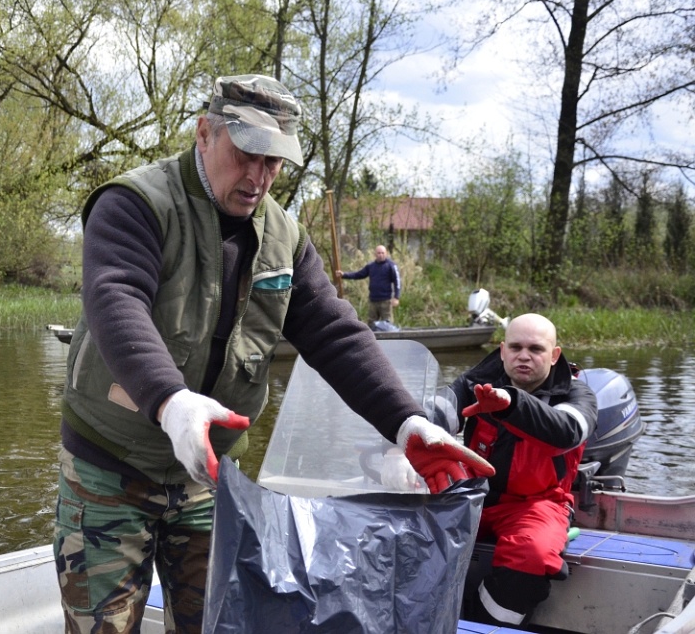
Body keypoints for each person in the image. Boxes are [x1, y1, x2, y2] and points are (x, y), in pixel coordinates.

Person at [56, 73, 494, 634]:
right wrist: (170, 401)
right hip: (109, 466)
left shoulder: (285, 237)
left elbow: (335, 334)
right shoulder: (136, 203)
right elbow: (115, 297)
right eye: (246, 154)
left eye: (274, 163)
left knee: (218, 624)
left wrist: (406, 422)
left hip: (208, 476)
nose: (258, 177)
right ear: (205, 133)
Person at [446, 313, 598, 627]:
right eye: (515, 347)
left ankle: (488, 624)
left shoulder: (577, 394)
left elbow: (567, 431)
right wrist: (404, 432)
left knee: (533, 554)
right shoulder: (476, 381)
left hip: (538, 504)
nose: (524, 356)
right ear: (503, 351)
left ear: (554, 355)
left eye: (536, 349)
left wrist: (511, 404)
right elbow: (441, 408)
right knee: (410, 527)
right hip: (471, 496)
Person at [336, 244, 401, 324]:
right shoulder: (371, 266)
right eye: (379, 253)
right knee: (371, 324)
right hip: (373, 300)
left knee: (387, 325)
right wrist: (344, 275)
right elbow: (359, 274)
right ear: (375, 254)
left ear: (386, 253)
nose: (380, 255)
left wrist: (396, 297)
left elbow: (397, 281)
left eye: (382, 253)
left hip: (386, 301)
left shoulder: (391, 266)